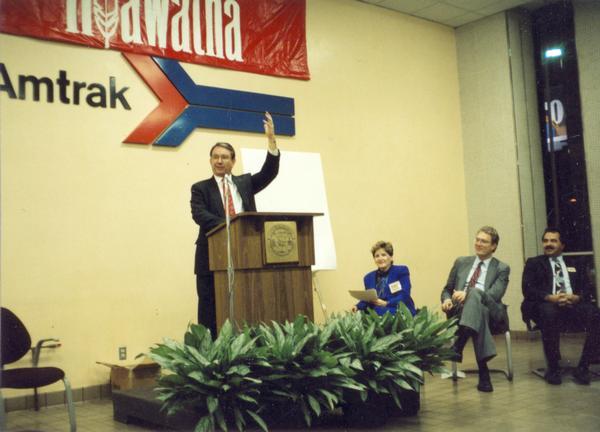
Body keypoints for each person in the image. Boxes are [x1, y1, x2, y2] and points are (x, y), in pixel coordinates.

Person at [190, 112, 280, 337]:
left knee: (247, 304)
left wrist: (271, 141)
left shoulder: (245, 183)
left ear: (233, 161)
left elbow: (270, 173)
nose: (219, 161)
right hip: (211, 256)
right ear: (211, 161)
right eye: (215, 157)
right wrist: (232, 225)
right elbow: (200, 215)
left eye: (224, 157)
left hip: (246, 256)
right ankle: (211, 353)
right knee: (210, 308)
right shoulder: (200, 188)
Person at [521, 227, 600, 385]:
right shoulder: (534, 263)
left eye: (553, 241)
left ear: (562, 245)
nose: (548, 244)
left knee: (595, 313)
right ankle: (553, 367)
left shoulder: (575, 263)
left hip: (572, 305)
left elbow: (587, 287)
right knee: (549, 312)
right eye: (546, 241)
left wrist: (576, 297)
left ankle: (583, 367)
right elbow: (528, 289)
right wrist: (551, 297)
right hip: (545, 305)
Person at [441, 226, 510, 392]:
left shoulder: (502, 268)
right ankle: (483, 374)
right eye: (477, 239)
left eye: (484, 241)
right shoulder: (461, 262)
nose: (478, 244)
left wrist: (470, 294)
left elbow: (493, 295)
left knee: (478, 299)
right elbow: (447, 289)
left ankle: (460, 341)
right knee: (479, 315)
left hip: (491, 310)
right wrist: (447, 300)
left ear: (493, 246)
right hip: (461, 311)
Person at [353, 241, 417, 316]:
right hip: (377, 313)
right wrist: (357, 306)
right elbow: (368, 299)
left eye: (383, 255)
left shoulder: (401, 271)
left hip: (398, 310)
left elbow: (405, 295)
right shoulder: (368, 278)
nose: (380, 258)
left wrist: (387, 303)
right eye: (377, 256)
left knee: (378, 311)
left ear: (391, 257)